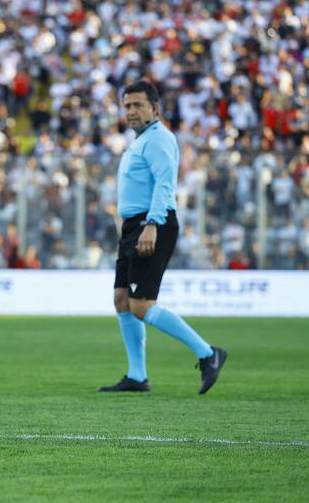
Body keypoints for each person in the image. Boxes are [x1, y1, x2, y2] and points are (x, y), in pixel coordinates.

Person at [101, 80, 227, 395]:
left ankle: (208, 353)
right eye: (127, 106)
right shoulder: (141, 140)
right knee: (122, 300)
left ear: (155, 108)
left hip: (151, 223)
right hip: (134, 226)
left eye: (137, 105)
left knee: (141, 305)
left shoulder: (159, 139)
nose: (131, 111)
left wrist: (152, 224)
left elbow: (164, 184)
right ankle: (137, 376)